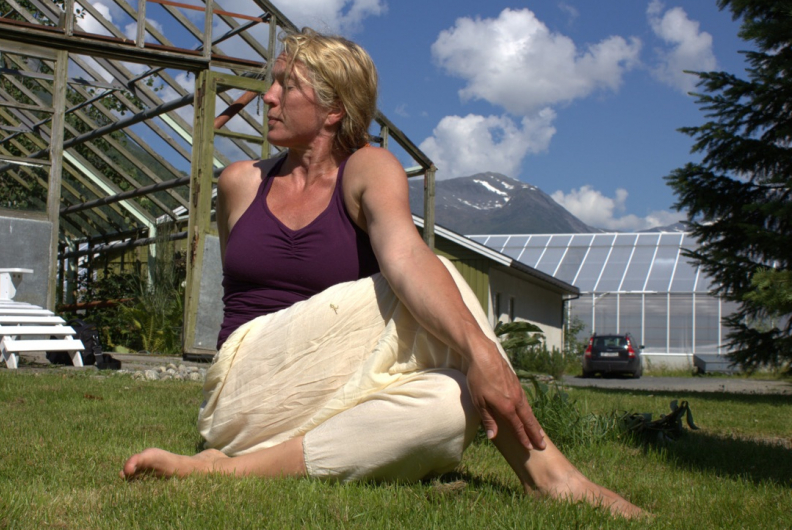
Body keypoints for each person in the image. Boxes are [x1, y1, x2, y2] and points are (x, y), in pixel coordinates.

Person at [121, 28, 642, 518]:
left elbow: (402, 252)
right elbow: (247, 297)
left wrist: (476, 360)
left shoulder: (368, 170)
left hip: (319, 398)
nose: (268, 97)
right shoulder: (240, 183)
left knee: (452, 402)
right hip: (242, 389)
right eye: (272, 83)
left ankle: (233, 471)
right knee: (435, 279)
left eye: (287, 85)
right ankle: (548, 473)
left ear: (334, 110)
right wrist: (483, 350)